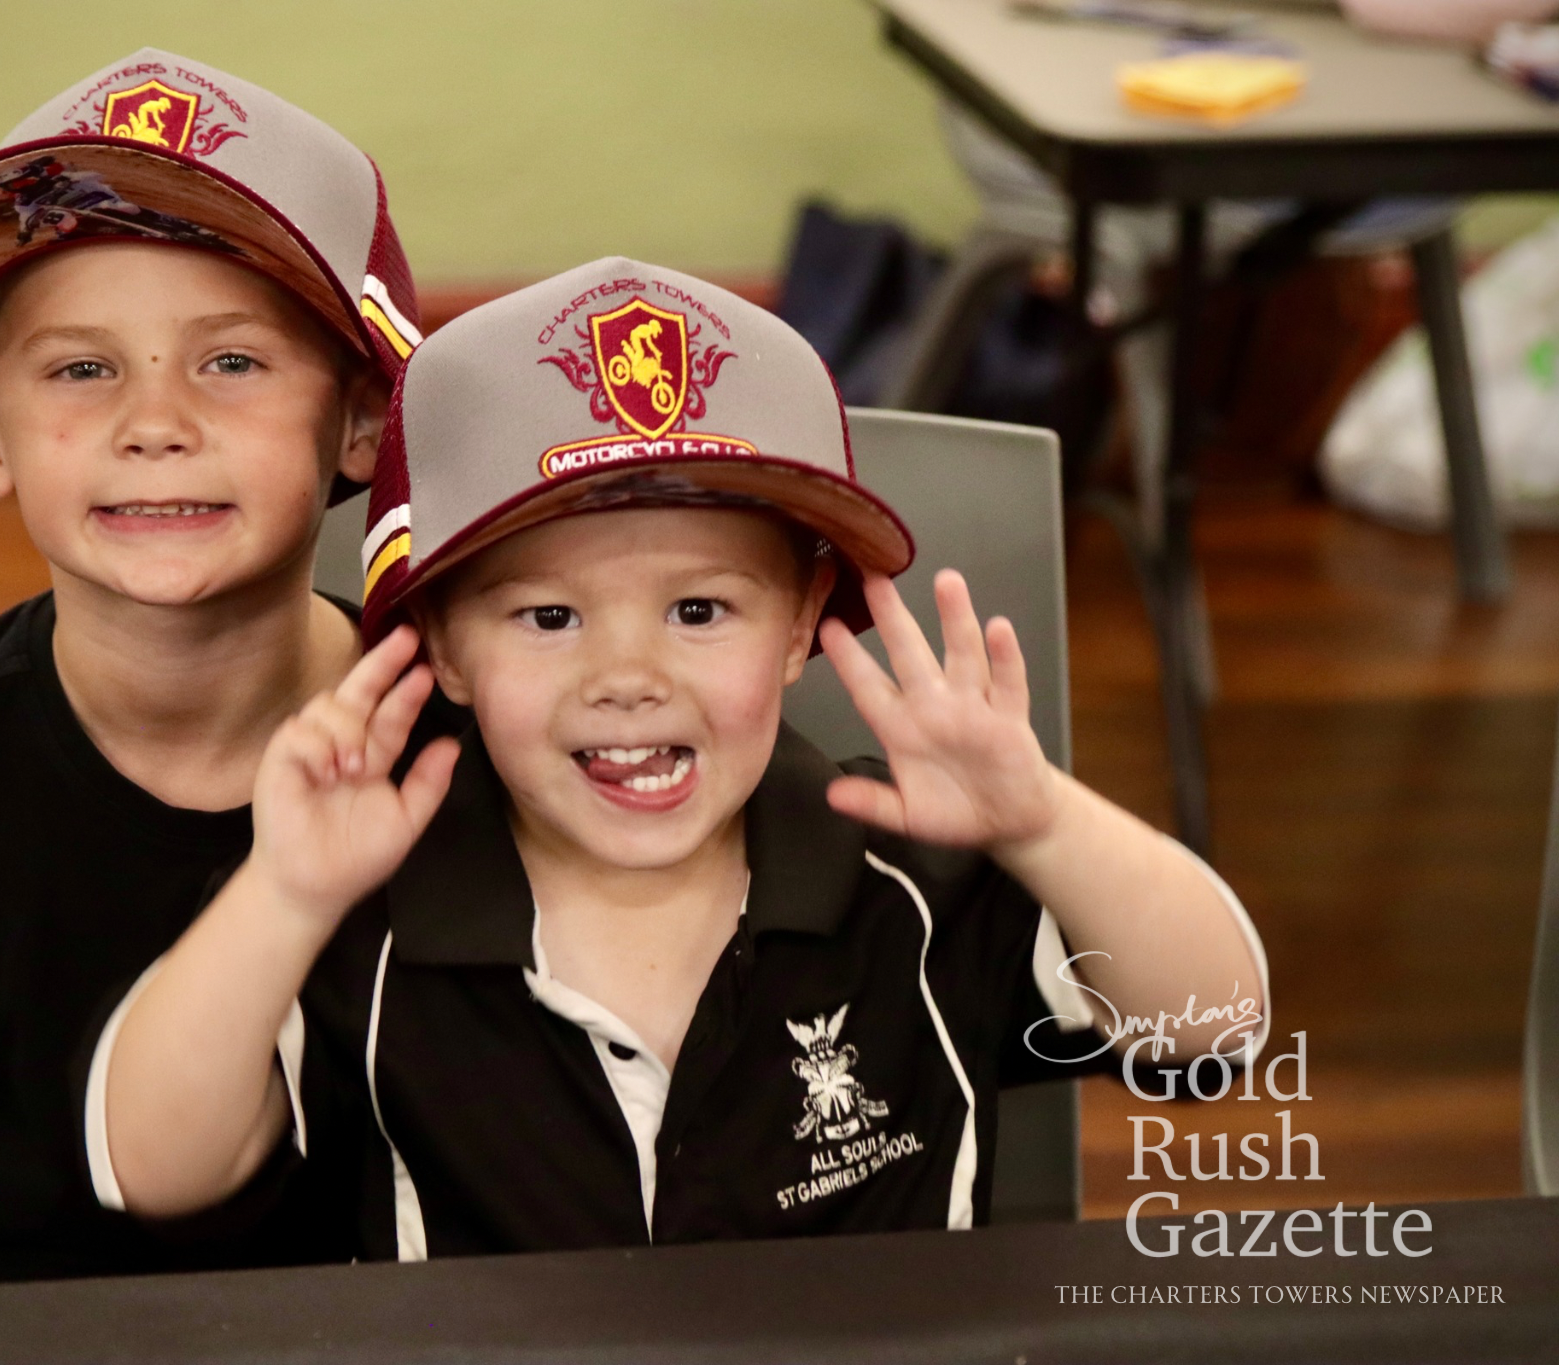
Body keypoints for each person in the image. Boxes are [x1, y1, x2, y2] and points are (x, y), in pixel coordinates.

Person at [92, 258, 1270, 1260]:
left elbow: (1214, 1024)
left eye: (699, 612)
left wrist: (1042, 822)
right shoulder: (361, 912)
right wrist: (285, 894)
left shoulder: (914, 879)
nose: (628, 674)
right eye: (547, 619)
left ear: (807, 619)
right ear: (441, 646)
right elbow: (155, 1169)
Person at [0, 48, 441, 1292]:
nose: (153, 420)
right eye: (80, 367)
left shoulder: (470, 737)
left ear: (362, 423)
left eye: (231, 361)